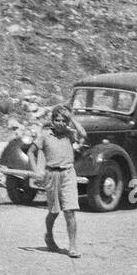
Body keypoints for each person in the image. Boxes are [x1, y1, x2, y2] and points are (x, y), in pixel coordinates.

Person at [33, 104, 87, 256]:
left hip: (68, 173)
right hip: (52, 175)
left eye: (64, 120)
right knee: (54, 212)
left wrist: (72, 118)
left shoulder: (70, 134)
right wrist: (36, 169)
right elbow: (32, 151)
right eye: (57, 120)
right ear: (52, 121)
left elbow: (83, 135)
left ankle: (73, 247)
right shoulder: (45, 136)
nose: (61, 123)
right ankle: (49, 236)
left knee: (69, 211)